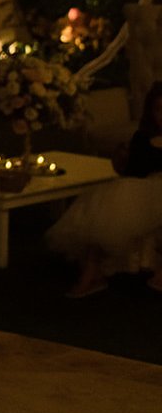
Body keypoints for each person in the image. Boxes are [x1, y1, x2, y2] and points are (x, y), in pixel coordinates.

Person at [48, 80, 162, 297]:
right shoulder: (143, 138)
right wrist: (122, 158)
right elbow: (133, 172)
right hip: (141, 189)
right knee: (107, 208)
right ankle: (91, 274)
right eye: (159, 110)